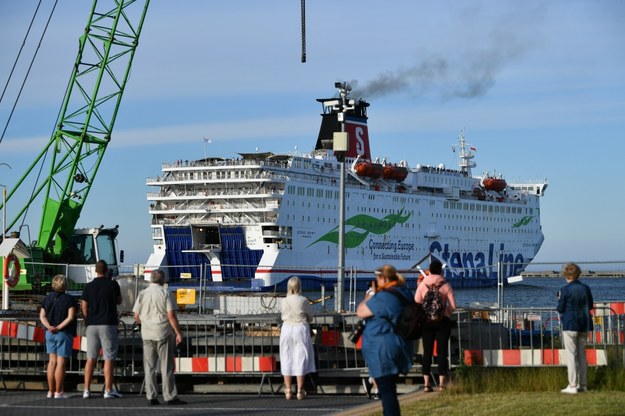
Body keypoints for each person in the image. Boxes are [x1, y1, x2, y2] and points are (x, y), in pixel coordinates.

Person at [357, 264, 413, 416]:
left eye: (377, 278)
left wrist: (373, 294)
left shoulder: (384, 297)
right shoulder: (404, 292)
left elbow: (361, 311)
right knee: (389, 389)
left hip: (383, 349)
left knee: (387, 391)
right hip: (400, 345)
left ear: (383, 278)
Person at [132, 269, 186, 405]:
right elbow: (171, 316)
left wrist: (145, 322)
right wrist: (178, 332)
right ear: (162, 280)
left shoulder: (142, 293)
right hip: (163, 332)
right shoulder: (166, 293)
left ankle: (151, 396)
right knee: (166, 366)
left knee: (149, 367)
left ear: (151, 279)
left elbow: (136, 316)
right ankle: (169, 396)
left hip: (147, 334)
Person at [80, 260, 122, 399]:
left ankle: (86, 390)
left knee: (90, 358)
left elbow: (84, 306)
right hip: (108, 323)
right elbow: (119, 301)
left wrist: (87, 321)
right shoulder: (113, 285)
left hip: (92, 325)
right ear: (106, 270)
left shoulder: (89, 286)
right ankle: (108, 390)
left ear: (95, 270)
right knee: (108, 358)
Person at [414, 259, 456, 392]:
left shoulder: (423, 285)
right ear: (441, 271)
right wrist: (445, 312)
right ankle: (441, 384)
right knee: (442, 353)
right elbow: (453, 306)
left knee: (427, 353)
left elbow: (417, 302)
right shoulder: (446, 285)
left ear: (430, 270)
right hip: (443, 322)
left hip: (426, 323)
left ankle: (427, 385)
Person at [557, 262, 594, 394]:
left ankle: (572, 385)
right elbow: (590, 305)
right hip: (584, 324)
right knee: (582, 356)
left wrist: (559, 299)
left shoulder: (564, 290)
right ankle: (583, 385)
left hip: (570, 324)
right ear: (578, 274)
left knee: (571, 355)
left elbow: (560, 308)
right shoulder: (586, 288)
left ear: (566, 275)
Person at [39, 275, 78, 399]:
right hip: (64, 332)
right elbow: (70, 317)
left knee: (51, 362)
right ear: (65, 285)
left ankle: (50, 391)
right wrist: (59, 327)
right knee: (61, 362)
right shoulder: (70, 299)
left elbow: (42, 316)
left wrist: (49, 327)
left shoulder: (47, 299)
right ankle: (59, 391)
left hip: (49, 333)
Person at [279, 276, 316, 400]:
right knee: (301, 358)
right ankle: (300, 391)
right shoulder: (304, 300)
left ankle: (288, 391)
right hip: (300, 328)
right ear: (299, 286)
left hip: (287, 328)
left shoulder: (284, 301)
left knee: (287, 357)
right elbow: (310, 317)